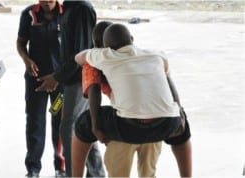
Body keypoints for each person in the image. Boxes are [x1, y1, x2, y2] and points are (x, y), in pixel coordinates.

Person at [74, 23, 192, 177]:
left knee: (84, 123)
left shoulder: (103, 56)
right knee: (180, 126)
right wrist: (179, 112)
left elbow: (79, 59)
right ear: (132, 39)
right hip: (166, 123)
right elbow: (168, 82)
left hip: (128, 125)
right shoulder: (155, 55)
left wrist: (96, 126)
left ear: (105, 47)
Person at [35, 0, 105, 177]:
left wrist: (57, 77)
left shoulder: (81, 9)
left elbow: (81, 52)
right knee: (84, 128)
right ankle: (96, 174)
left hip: (81, 79)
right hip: (70, 79)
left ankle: (75, 174)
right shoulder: (69, 7)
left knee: (69, 129)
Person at [16, 0, 65, 177]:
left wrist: (59, 77)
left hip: (60, 83)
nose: (46, 2)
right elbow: (21, 42)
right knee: (35, 122)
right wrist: (26, 60)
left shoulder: (66, 13)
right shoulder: (29, 14)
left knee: (59, 121)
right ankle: (33, 168)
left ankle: (61, 167)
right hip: (36, 82)